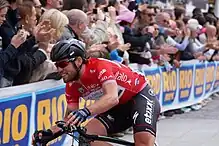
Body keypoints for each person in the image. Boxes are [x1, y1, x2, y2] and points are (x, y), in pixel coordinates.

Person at [32, 38, 161, 146]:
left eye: (63, 64)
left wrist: (86, 111)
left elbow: (112, 97)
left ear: (78, 61)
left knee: (143, 143)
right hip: (117, 108)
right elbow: (69, 119)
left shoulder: (99, 67)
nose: (59, 69)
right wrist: (49, 133)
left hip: (139, 97)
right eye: (56, 65)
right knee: (87, 139)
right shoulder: (71, 85)